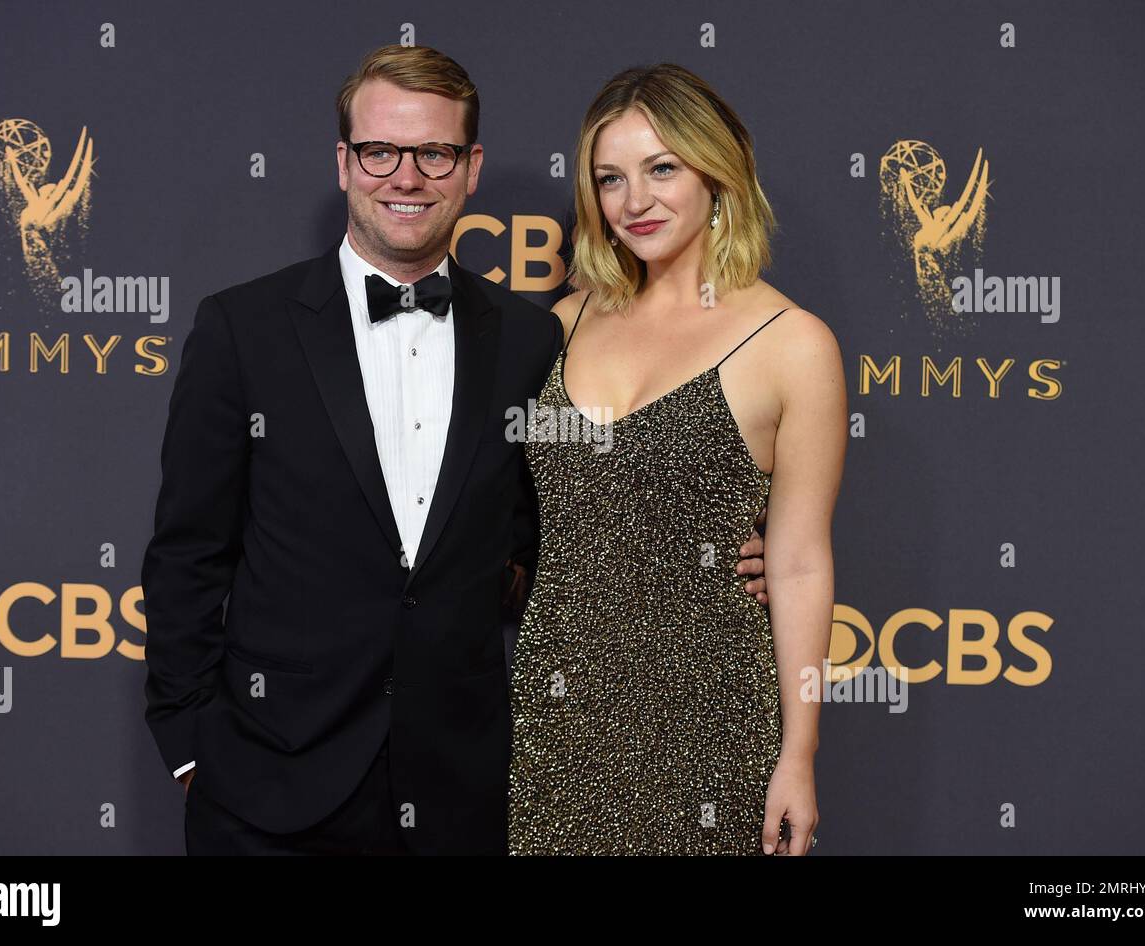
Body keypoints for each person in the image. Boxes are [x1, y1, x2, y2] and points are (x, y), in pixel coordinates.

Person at [141, 45, 769, 856]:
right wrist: (193, 748)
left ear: (470, 168)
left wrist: (704, 557)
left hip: (462, 792)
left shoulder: (530, 338)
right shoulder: (241, 330)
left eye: (435, 152)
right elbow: (188, 552)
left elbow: (550, 537)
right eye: (381, 151)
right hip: (268, 787)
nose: (407, 177)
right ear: (344, 162)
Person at [508, 63, 846, 855]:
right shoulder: (562, 320)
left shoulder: (794, 344)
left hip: (710, 715)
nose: (635, 201)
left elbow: (798, 563)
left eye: (662, 169)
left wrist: (798, 757)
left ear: (716, 172)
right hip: (555, 707)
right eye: (610, 178)